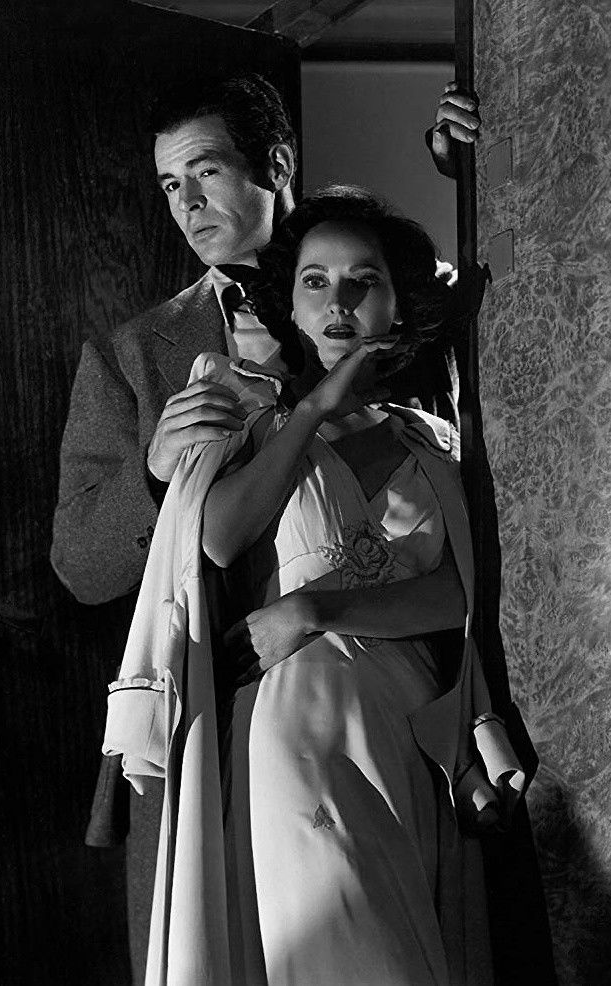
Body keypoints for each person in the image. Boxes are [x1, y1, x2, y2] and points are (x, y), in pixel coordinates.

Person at [50, 71, 480, 981]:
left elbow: (490, 302)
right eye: (170, 184)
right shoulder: (135, 355)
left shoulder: (390, 299)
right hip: (215, 721)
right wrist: (154, 475)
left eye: (205, 172)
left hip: (406, 706)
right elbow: (80, 565)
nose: (187, 204)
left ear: (275, 165)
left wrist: (473, 167)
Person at [104, 186, 526, 985]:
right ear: (289, 306)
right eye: (315, 281)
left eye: (364, 282)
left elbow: (454, 597)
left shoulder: (432, 444)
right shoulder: (257, 426)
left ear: (397, 304)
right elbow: (219, 538)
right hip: (295, 730)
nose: (339, 303)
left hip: (407, 734)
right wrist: (312, 410)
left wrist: (311, 608)